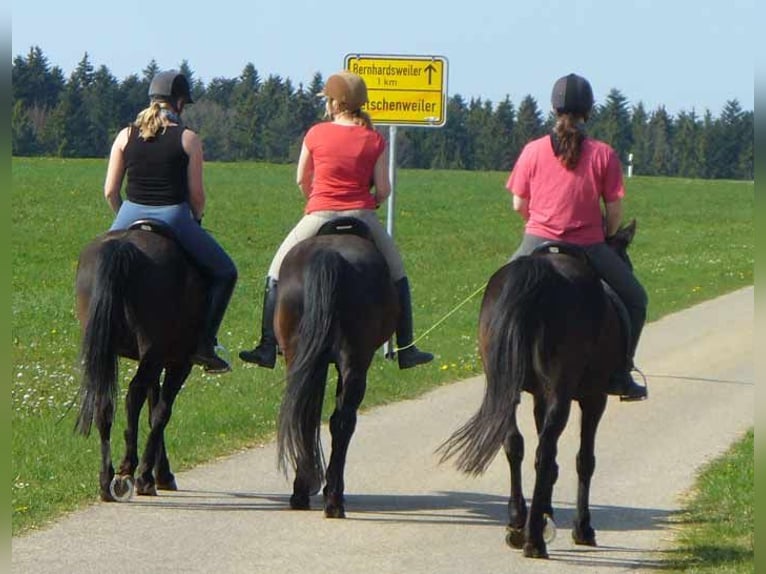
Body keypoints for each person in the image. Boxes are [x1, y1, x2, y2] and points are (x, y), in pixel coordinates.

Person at [239, 71, 433, 370]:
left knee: (276, 271)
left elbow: (301, 178)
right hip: (362, 215)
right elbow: (384, 188)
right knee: (397, 274)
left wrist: (315, 198)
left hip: (320, 214)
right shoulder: (375, 139)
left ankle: (267, 346)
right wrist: (374, 202)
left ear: (334, 103)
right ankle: (406, 348)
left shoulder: (316, 133)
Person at [505, 73, 648, 401]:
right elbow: (614, 211)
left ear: (554, 109)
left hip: (536, 239)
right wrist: (607, 236)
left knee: (498, 295)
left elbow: (518, 204)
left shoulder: (532, 151)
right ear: (589, 110)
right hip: (588, 245)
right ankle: (621, 373)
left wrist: (538, 224)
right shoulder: (603, 154)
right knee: (637, 300)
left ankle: (499, 364)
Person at [104, 70, 237, 374]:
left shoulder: (125, 135)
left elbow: (111, 190)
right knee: (226, 272)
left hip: (129, 213)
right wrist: (197, 220)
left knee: (103, 267)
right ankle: (205, 344)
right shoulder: (188, 138)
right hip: (173, 215)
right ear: (178, 103)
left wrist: (124, 218)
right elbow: (197, 197)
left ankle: (102, 330)